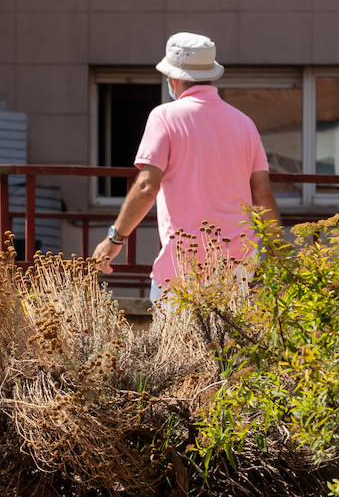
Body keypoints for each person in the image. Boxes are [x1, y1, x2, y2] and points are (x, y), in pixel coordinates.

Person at [94, 32, 280, 305]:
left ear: (173, 78)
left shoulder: (164, 117)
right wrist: (276, 253)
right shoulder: (244, 123)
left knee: (177, 346)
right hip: (238, 264)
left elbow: (146, 186)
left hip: (181, 265)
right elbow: (262, 193)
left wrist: (115, 239)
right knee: (230, 346)